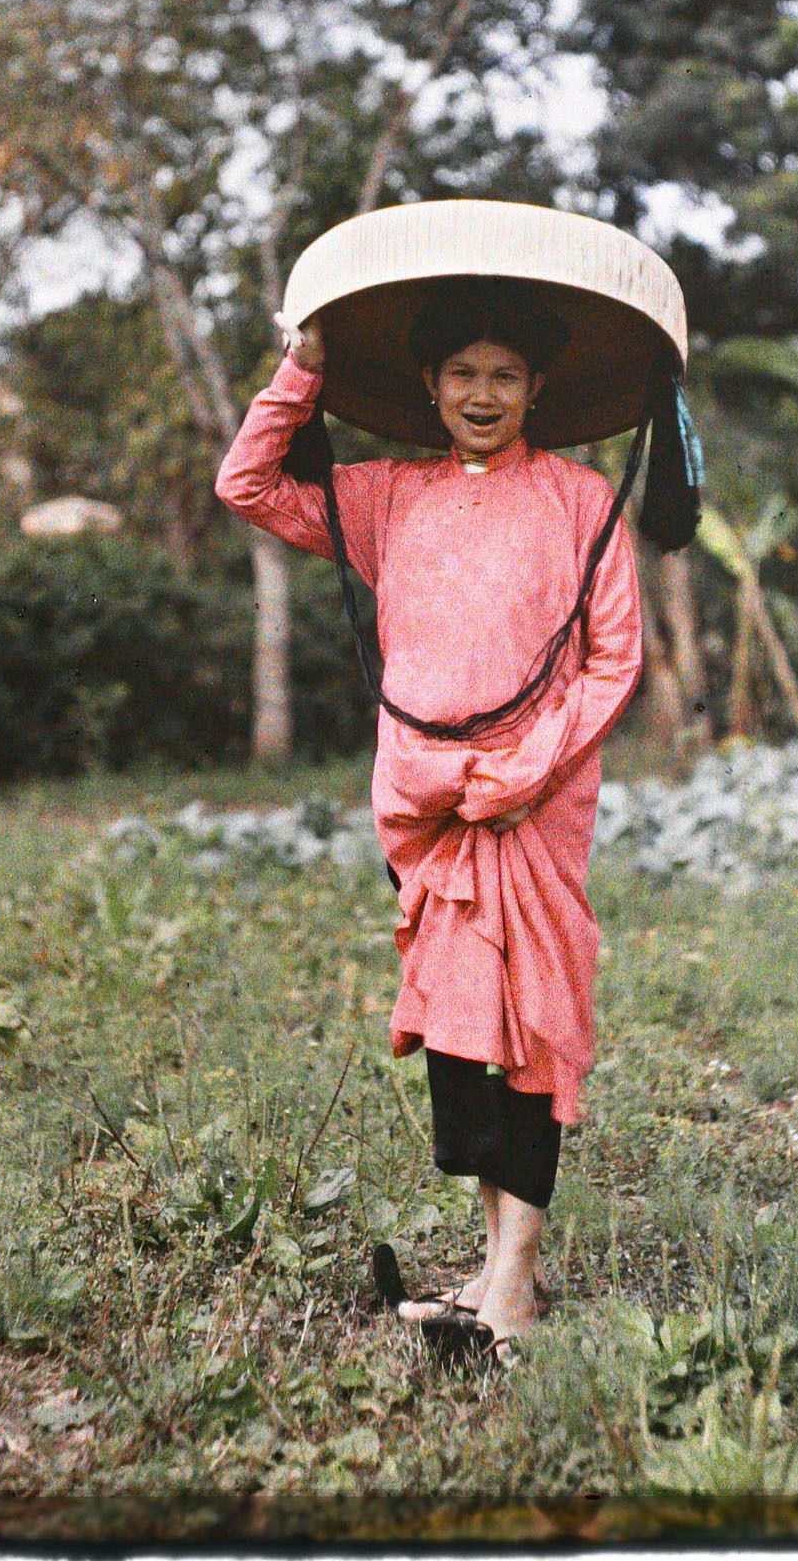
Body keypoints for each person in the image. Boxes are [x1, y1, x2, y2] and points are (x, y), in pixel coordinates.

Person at [214, 280, 644, 1369]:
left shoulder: (580, 500)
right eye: (462, 374)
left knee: (532, 1021)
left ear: (536, 385)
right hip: (424, 804)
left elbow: (613, 660)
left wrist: (529, 769)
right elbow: (247, 482)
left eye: (504, 374)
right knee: (462, 1026)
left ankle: (507, 1280)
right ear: (430, 386)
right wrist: (302, 364)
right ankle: (509, 1269)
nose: (482, 394)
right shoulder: (384, 495)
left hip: (536, 803)